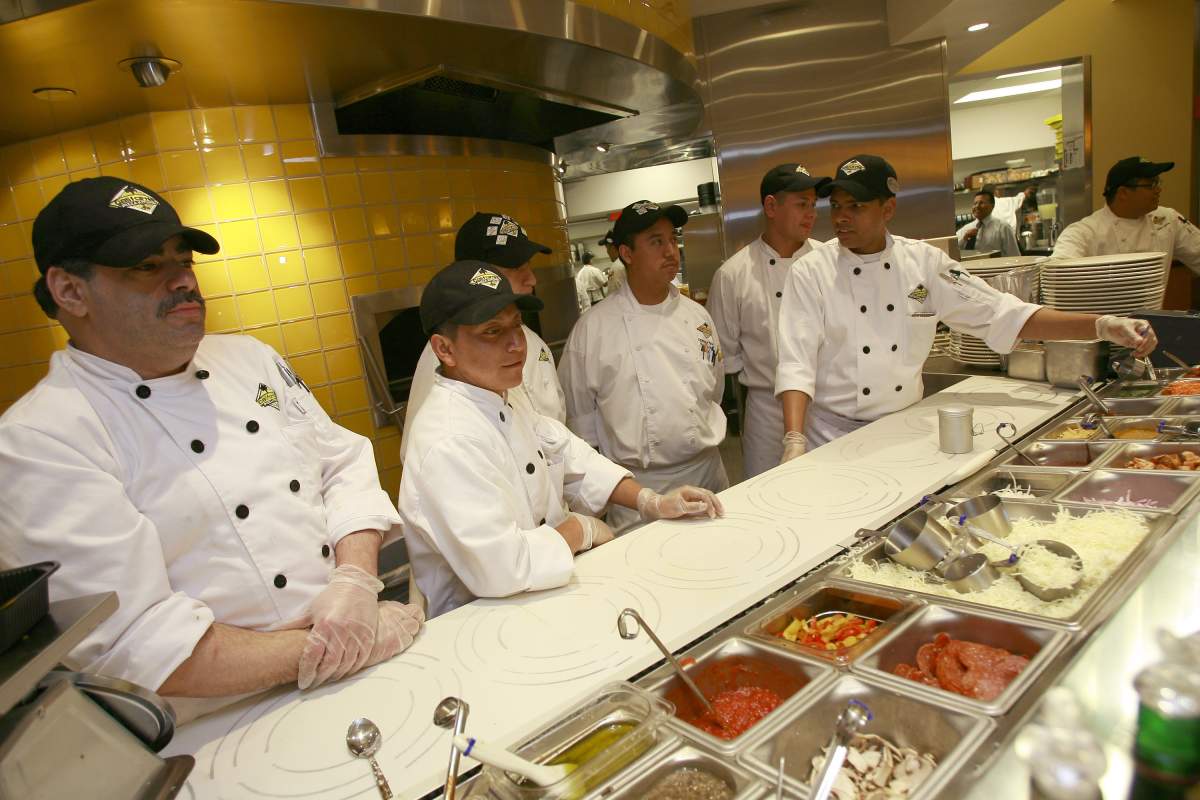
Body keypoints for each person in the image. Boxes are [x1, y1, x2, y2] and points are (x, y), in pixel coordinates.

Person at [0, 177, 423, 712]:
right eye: (148, 267)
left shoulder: (250, 359)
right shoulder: (41, 440)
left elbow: (341, 463)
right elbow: (138, 640)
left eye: (184, 261)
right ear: (69, 291)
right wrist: (331, 645)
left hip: (357, 658)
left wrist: (357, 579)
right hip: (225, 724)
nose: (182, 282)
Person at [398, 260, 723, 617]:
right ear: (444, 350)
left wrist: (650, 501)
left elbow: (570, 455)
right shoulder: (447, 439)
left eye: (516, 326)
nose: (515, 345)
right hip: (483, 619)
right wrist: (578, 529)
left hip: (542, 595)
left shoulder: (503, 395)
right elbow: (504, 566)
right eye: (492, 331)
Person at [776, 155, 1158, 455]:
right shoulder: (810, 272)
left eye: (855, 206)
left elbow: (1006, 313)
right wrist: (795, 439)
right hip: (831, 435)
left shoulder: (927, 265)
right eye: (836, 206)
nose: (841, 217)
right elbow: (796, 362)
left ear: (887, 209)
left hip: (905, 427)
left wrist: (1103, 325)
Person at [559, 200, 729, 532]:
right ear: (627, 253)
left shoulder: (699, 319)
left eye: (671, 239)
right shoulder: (593, 330)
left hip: (709, 472)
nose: (671, 251)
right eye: (656, 242)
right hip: (641, 490)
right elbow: (581, 427)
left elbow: (714, 389)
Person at [397, 212, 565, 464]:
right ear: (476, 274)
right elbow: (423, 453)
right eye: (517, 267)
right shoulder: (447, 356)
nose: (532, 278)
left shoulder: (534, 343)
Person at [708, 163, 828, 478]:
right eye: (802, 204)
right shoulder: (733, 275)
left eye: (814, 205)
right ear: (771, 206)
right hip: (766, 414)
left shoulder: (830, 264)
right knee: (768, 497)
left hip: (827, 407)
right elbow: (725, 359)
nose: (811, 213)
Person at [1053, 157, 1200, 277]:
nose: (1158, 189)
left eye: (1158, 183)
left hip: (1153, 312)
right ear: (1123, 193)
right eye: (1150, 185)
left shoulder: (1167, 220)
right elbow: (1056, 274)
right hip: (1100, 314)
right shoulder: (1084, 232)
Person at [956, 190, 1020, 256]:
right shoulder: (966, 229)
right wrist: (964, 239)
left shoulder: (1003, 228)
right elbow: (952, 251)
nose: (977, 206)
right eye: (975, 203)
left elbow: (1014, 255)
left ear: (992, 206)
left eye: (981, 203)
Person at [599, 228, 627, 293]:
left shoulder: (616, 267)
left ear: (613, 248)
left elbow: (613, 294)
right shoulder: (628, 262)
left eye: (607, 248)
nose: (607, 252)